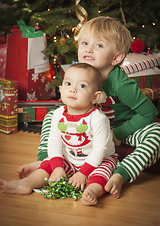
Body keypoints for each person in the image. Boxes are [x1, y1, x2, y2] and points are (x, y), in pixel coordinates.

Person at [17, 16, 160, 199]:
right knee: (52, 116)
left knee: (156, 132)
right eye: (84, 43)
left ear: (116, 57)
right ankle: (47, 160)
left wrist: (118, 134)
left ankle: (121, 174)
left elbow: (149, 112)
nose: (88, 49)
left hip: (121, 128)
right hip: (91, 127)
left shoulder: (120, 84)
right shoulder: (79, 72)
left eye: (99, 45)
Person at [0, 63, 118, 206]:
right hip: (71, 157)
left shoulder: (98, 118)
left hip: (99, 161)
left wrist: (83, 173)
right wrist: (58, 168)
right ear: (61, 90)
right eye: (68, 83)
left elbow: (100, 149)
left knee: (101, 174)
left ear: (95, 97)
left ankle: (91, 192)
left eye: (82, 86)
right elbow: (54, 142)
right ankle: (26, 184)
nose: (73, 89)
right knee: (49, 163)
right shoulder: (57, 114)